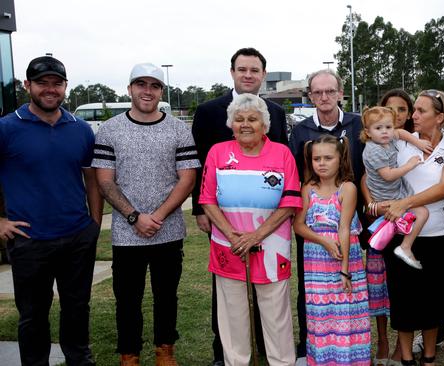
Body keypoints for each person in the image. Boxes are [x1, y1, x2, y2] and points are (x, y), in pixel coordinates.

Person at [92, 63, 200, 366]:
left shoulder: (179, 129)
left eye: (154, 86)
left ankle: (165, 351)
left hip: (168, 230)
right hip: (127, 234)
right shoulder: (110, 129)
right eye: (141, 84)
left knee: (167, 297)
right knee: (128, 300)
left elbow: (187, 178)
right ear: (129, 89)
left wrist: (159, 216)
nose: (147, 91)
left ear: (161, 92)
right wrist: (133, 217)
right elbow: (104, 180)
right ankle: (130, 354)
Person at [0, 56, 102, 366]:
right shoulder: (6, 128)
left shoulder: (81, 129)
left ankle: (78, 360)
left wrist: (94, 224)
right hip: (29, 239)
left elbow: (92, 179)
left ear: (65, 87)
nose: (50, 89)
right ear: (28, 85)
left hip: (75, 236)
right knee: (33, 315)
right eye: (42, 83)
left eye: (56, 83)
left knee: (77, 307)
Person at [191, 47, 286, 366]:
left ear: (262, 75)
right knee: (229, 290)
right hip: (223, 220)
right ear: (232, 72)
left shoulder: (276, 111)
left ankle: (264, 350)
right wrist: (200, 210)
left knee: (267, 291)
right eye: (242, 69)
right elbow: (200, 164)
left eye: (254, 70)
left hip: (268, 224)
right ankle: (227, 354)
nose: (248, 75)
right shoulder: (207, 111)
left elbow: (283, 166)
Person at [199, 93, 301, 366]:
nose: (245, 124)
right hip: (227, 245)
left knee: (276, 316)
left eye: (252, 119)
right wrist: (234, 237)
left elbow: (290, 203)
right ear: (231, 123)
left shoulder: (281, 153)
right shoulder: (217, 152)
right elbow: (207, 200)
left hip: (271, 247)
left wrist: (256, 236)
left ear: (264, 125)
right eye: (239, 119)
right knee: (233, 317)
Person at [372, 90, 444, 366]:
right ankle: (407, 358)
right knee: (404, 300)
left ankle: (429, 357)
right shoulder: (402, 145)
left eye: (421, 111)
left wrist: (405, 202)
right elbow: (378, 157)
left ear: (440, 117)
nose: (413, 115)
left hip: (438, 235)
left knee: (433, 301)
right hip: (402, 235)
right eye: (415, 110)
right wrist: (376, 203)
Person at [288, 69, 365, 364]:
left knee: (354, 286)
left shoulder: (357, 125)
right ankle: (312, 345)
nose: (324, 97)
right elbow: (298, 173)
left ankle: (349, 347)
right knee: (310, 288)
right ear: (310, 96)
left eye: (329, 91)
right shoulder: (302, 130)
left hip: (352, 217)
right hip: (314, 220)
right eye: (317, 92)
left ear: (340, 93)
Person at [293, 134, 371, 365]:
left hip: (345, 258)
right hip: (316, 261)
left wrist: (345, 270)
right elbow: (298, 225)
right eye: (317, 158)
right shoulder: (307, 188)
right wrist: (323, 241)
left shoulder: (347, 188)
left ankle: (350, 360)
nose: (322, 163)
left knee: (346, 313)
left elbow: (344, 228)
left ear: (340, 158)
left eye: (328, 158)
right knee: (321, 315)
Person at [363, 89, 415, 366]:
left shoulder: (411, 142)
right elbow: (366, 178)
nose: (395, 118)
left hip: (408, 222)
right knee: (378, 284)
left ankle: (402, 343)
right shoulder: (380, 142)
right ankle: (382, 338)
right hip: (381, 222)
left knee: (404, 288)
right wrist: (373, 205)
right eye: (389, 111)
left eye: (402, 111)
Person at [361, 106, 432, 269]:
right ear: (368, 132)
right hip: (385, 197)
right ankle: (405, 247)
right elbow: (388, 175)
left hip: (395, 190)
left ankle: (402, 243)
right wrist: (410, 165)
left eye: (388, 127)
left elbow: (401, 133)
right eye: (378, 128)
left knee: (416, 213)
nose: (385, 131)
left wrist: (418, 142)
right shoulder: (374, 150)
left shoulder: (388, 138)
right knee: (422, 212)